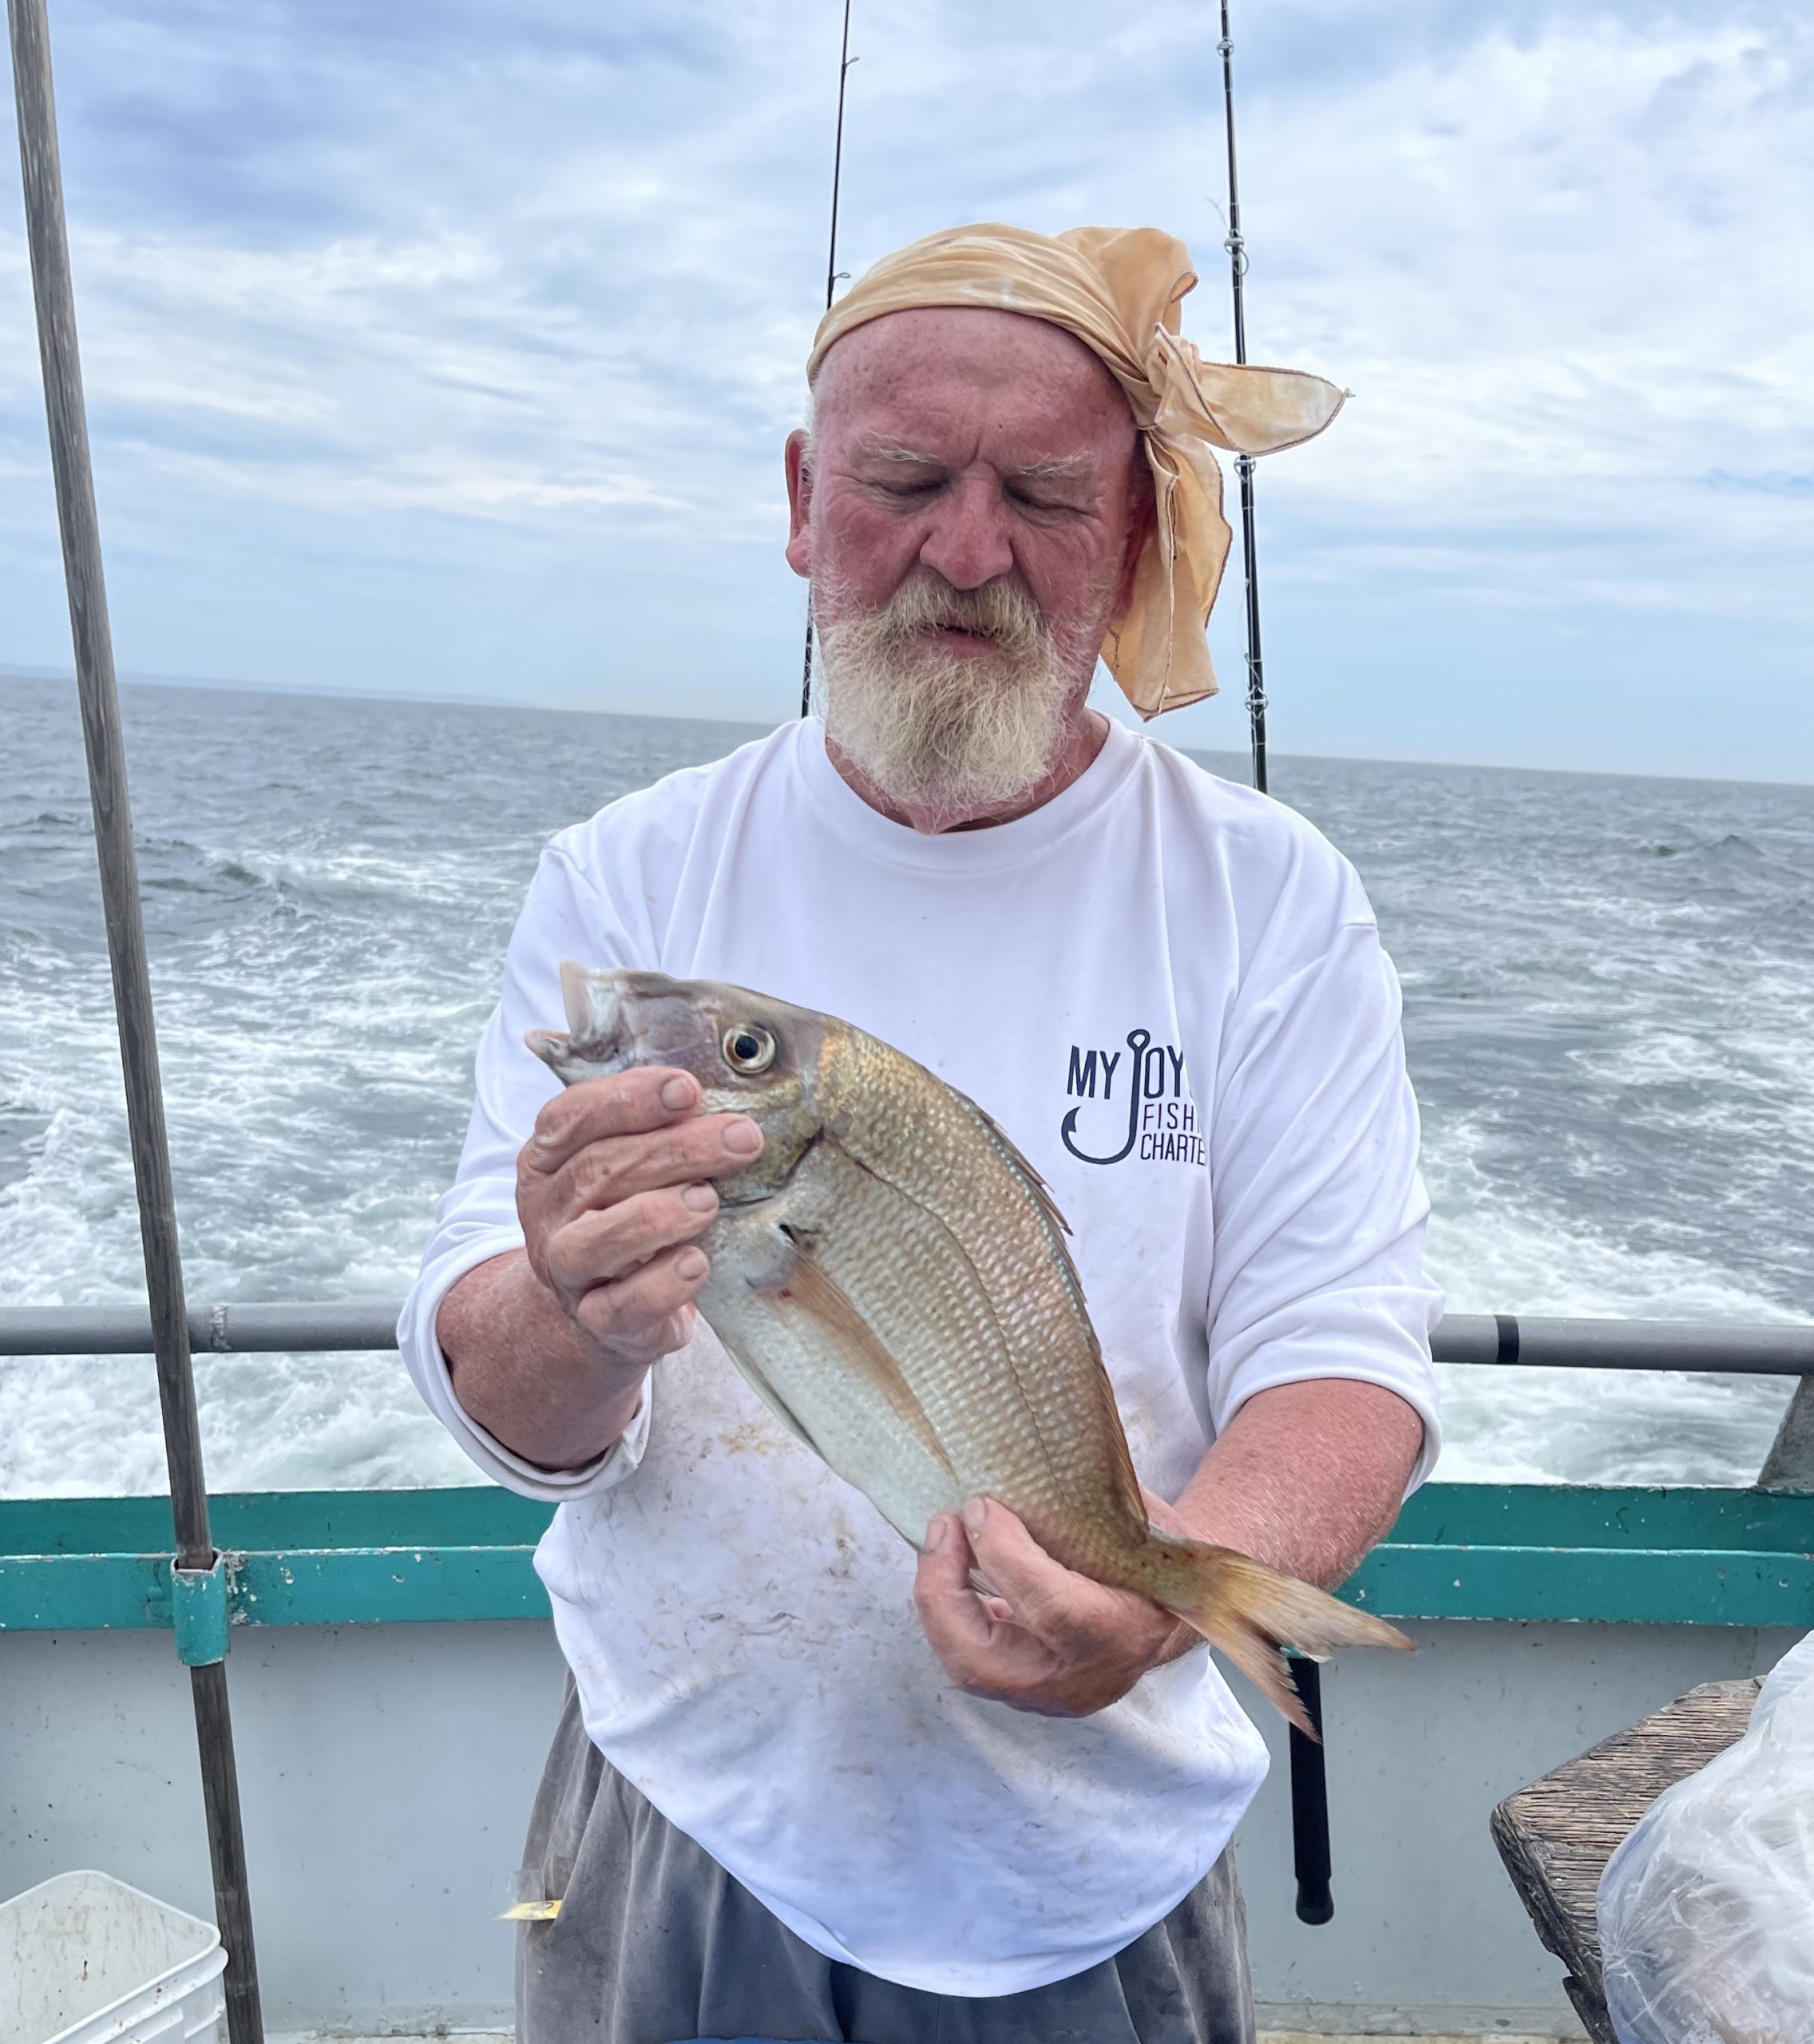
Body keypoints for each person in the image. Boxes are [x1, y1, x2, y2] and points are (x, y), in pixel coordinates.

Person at [401, 222, 1442, 2044]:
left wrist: (1162, 1583)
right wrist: (567, 1313)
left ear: (1134, 529)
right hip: (680, 1809)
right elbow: (501, 1391)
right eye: (900, 481)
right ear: (804, 499)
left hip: (1095, 1861)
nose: (965, 552)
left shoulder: (1267, 900)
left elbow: (1341, 1355)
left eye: (1043, 494)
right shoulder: (627, 876)